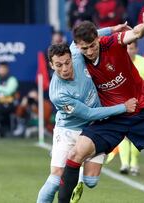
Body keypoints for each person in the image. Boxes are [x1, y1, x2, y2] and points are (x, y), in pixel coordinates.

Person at [58, 11, 144, 203]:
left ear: (98, 39)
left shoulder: (112, 43)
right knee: (76, 153)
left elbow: (134, 34)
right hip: (112, 116)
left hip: (142, 111)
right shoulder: (76, 54)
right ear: (78, 46)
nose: (90, 51)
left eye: (93, 45)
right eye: (85, 48)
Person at [36, 25, 135, 203]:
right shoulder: (58, 93)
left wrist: (115, 29)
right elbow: (88, 113)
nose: (65, 68)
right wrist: (123, 107)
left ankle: (80, 173)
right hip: (68, 130)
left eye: (67, 63)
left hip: (93, 129)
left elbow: (91, 37)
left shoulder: (76, 53)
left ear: (71, 58)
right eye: (58, 65)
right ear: (51, 65)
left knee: (91, 181)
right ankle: (74, 166)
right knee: (55, 179)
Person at [117, 41, 144, 176]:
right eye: (128, 48)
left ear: (136, 49)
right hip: (124, 103)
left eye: (132, 48)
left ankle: (134, 164)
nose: (130, 51)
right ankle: (124, 164)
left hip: (141, 104)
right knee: (123, 135)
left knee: (136, 135)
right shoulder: (119, 62)